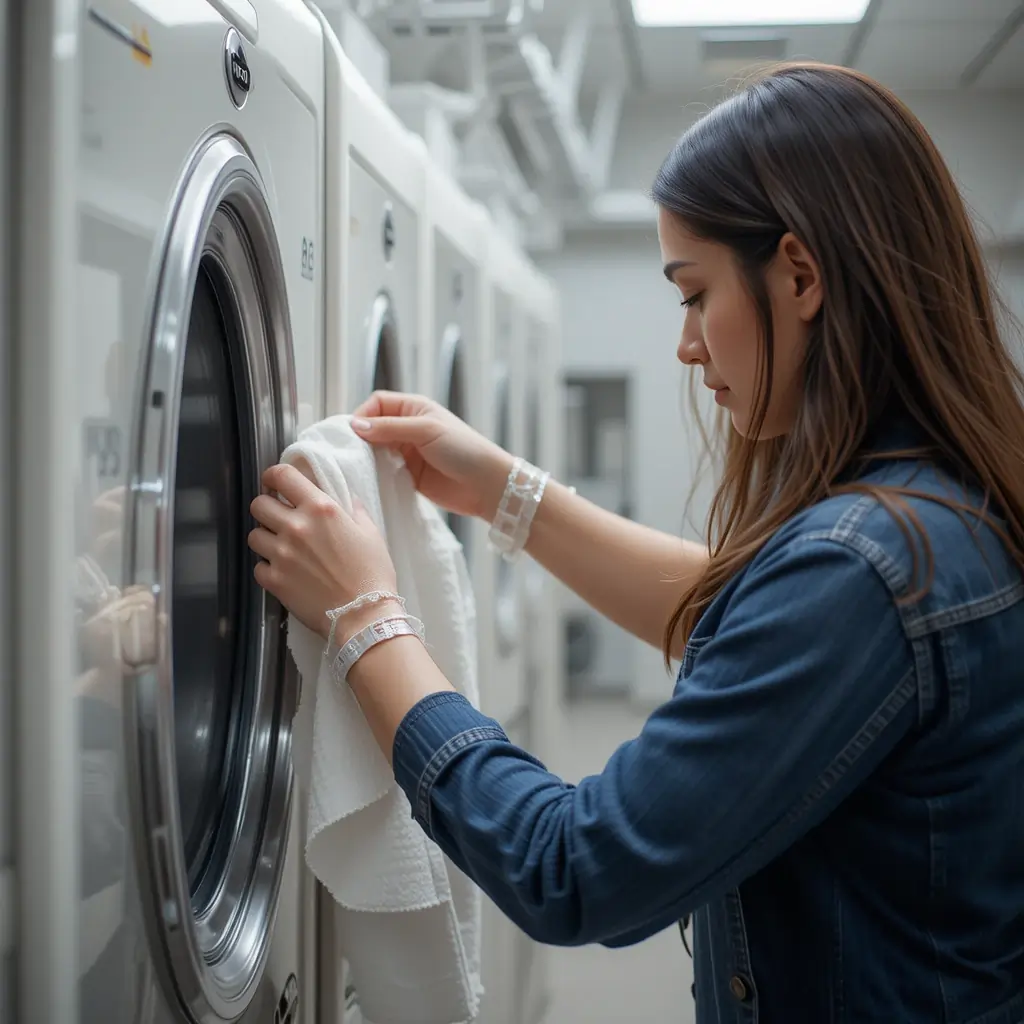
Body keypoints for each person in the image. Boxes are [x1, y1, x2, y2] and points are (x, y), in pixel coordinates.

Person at [247, 62, 1024, 1022]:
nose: (687, 344)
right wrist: (503, 489)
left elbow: (573, 868)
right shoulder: (937, 513)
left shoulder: (866, 565)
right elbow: (738, 615)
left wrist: (369, 619)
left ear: (801, 275)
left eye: (694, 295)